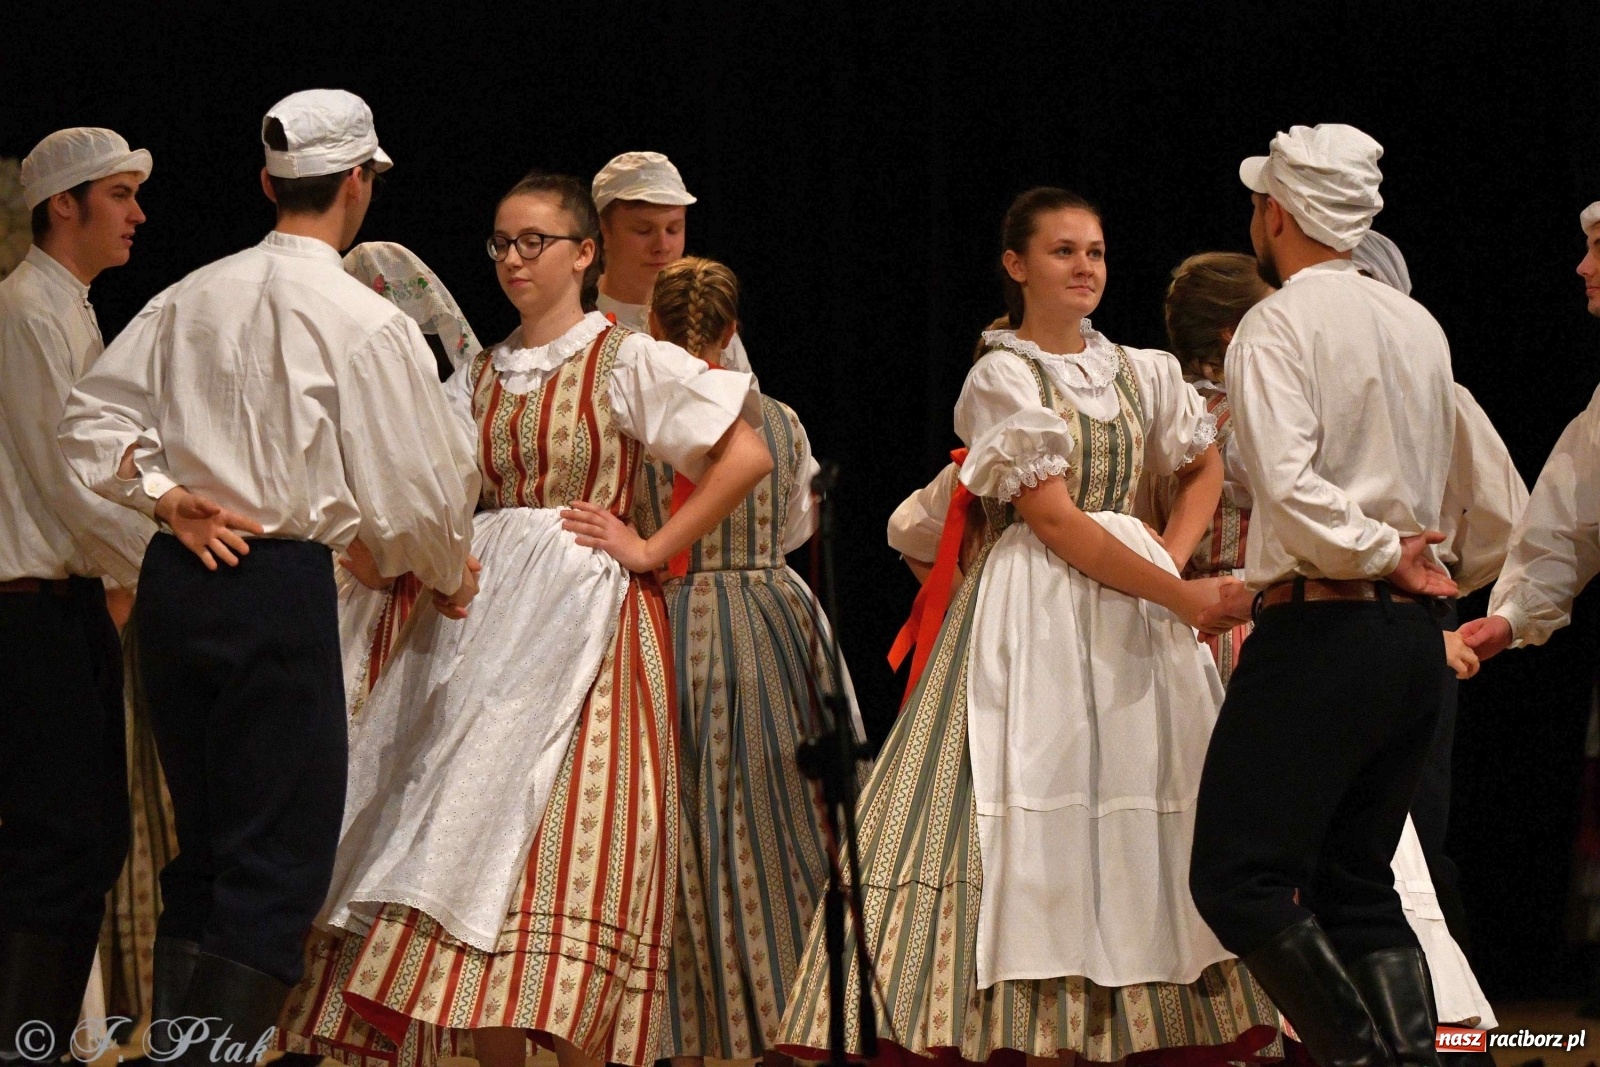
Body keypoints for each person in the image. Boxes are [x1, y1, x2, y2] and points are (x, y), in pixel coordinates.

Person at [779, 186, 1286, 1066]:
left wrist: (1166, 553)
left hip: (1133, 599)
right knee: (1026, 799)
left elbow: (1203, 465)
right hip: (1038, 607)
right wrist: (1173, 592)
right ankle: (1020, 1023)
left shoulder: (1146, 369)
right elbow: (1050, 519)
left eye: (1093, 250)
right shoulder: (1002, 376)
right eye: (1062, 251)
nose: (1085, 266)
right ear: (1017, 265)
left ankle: (1156, 1021)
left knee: (1147, 796)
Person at [284, 171, 772, 1067]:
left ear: (585, 253)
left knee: (564, 843)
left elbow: (745, 453)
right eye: (503, 242)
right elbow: (422, 490)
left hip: (584, 628)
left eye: (534, 241)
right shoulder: (479, 371)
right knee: (471, 849)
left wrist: (652, 544)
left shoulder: (621, 357)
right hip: (477, 628)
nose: (514, 258)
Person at [57, 89, 480, 1052]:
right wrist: (446, 570)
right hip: (277, 587)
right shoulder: (361, 320)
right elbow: (417, 497)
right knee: (275, 869)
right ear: (361, 183)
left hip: (179, 582)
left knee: (203, 858)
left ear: (266, 182)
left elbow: (89, 422)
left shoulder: (188, 293)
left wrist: (165, 498)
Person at [1153, 250, 1500, 1032]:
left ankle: (1359, 1053)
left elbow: (1275, 499)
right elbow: (1498, 513)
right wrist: (1423, 576)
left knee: (1245, 878)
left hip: (1290, 626)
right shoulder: (1419, 343)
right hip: (1399, 628)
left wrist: (1381, 560)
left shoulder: (1226, 390)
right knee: (1361, 880)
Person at [630, 256, 861, 1066]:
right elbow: (794, 529)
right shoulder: (781, 418)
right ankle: (792, 1024)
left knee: (683, 833)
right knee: (780, 830)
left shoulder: (648, 417)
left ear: (651, 327)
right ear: (731, 331)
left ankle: (687, 1036)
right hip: (773, 619)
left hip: (674, 615)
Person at [0, 126, 155, 1063]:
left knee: (90, 838)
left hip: (70, 601)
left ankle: (37, 1043)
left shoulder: (70, 309)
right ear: (67, 204)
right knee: (62, 840)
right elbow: (67, 474)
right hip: (31, 607)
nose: (138, 214)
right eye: (121, 194)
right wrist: (165, 550)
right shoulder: (24, 309)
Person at [1352, 230, 1528, 961]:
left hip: (1409, 615)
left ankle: (1454, 1041)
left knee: (1413, 829)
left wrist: (1442, 591)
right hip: (1317, 614)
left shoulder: (1435, 394)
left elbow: (1505, 517)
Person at [592, 151, 752, 372]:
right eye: (643, 231)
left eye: (673, 229)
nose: (663, 246)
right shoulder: (580, 320)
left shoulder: (704, 313)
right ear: (604, 231)